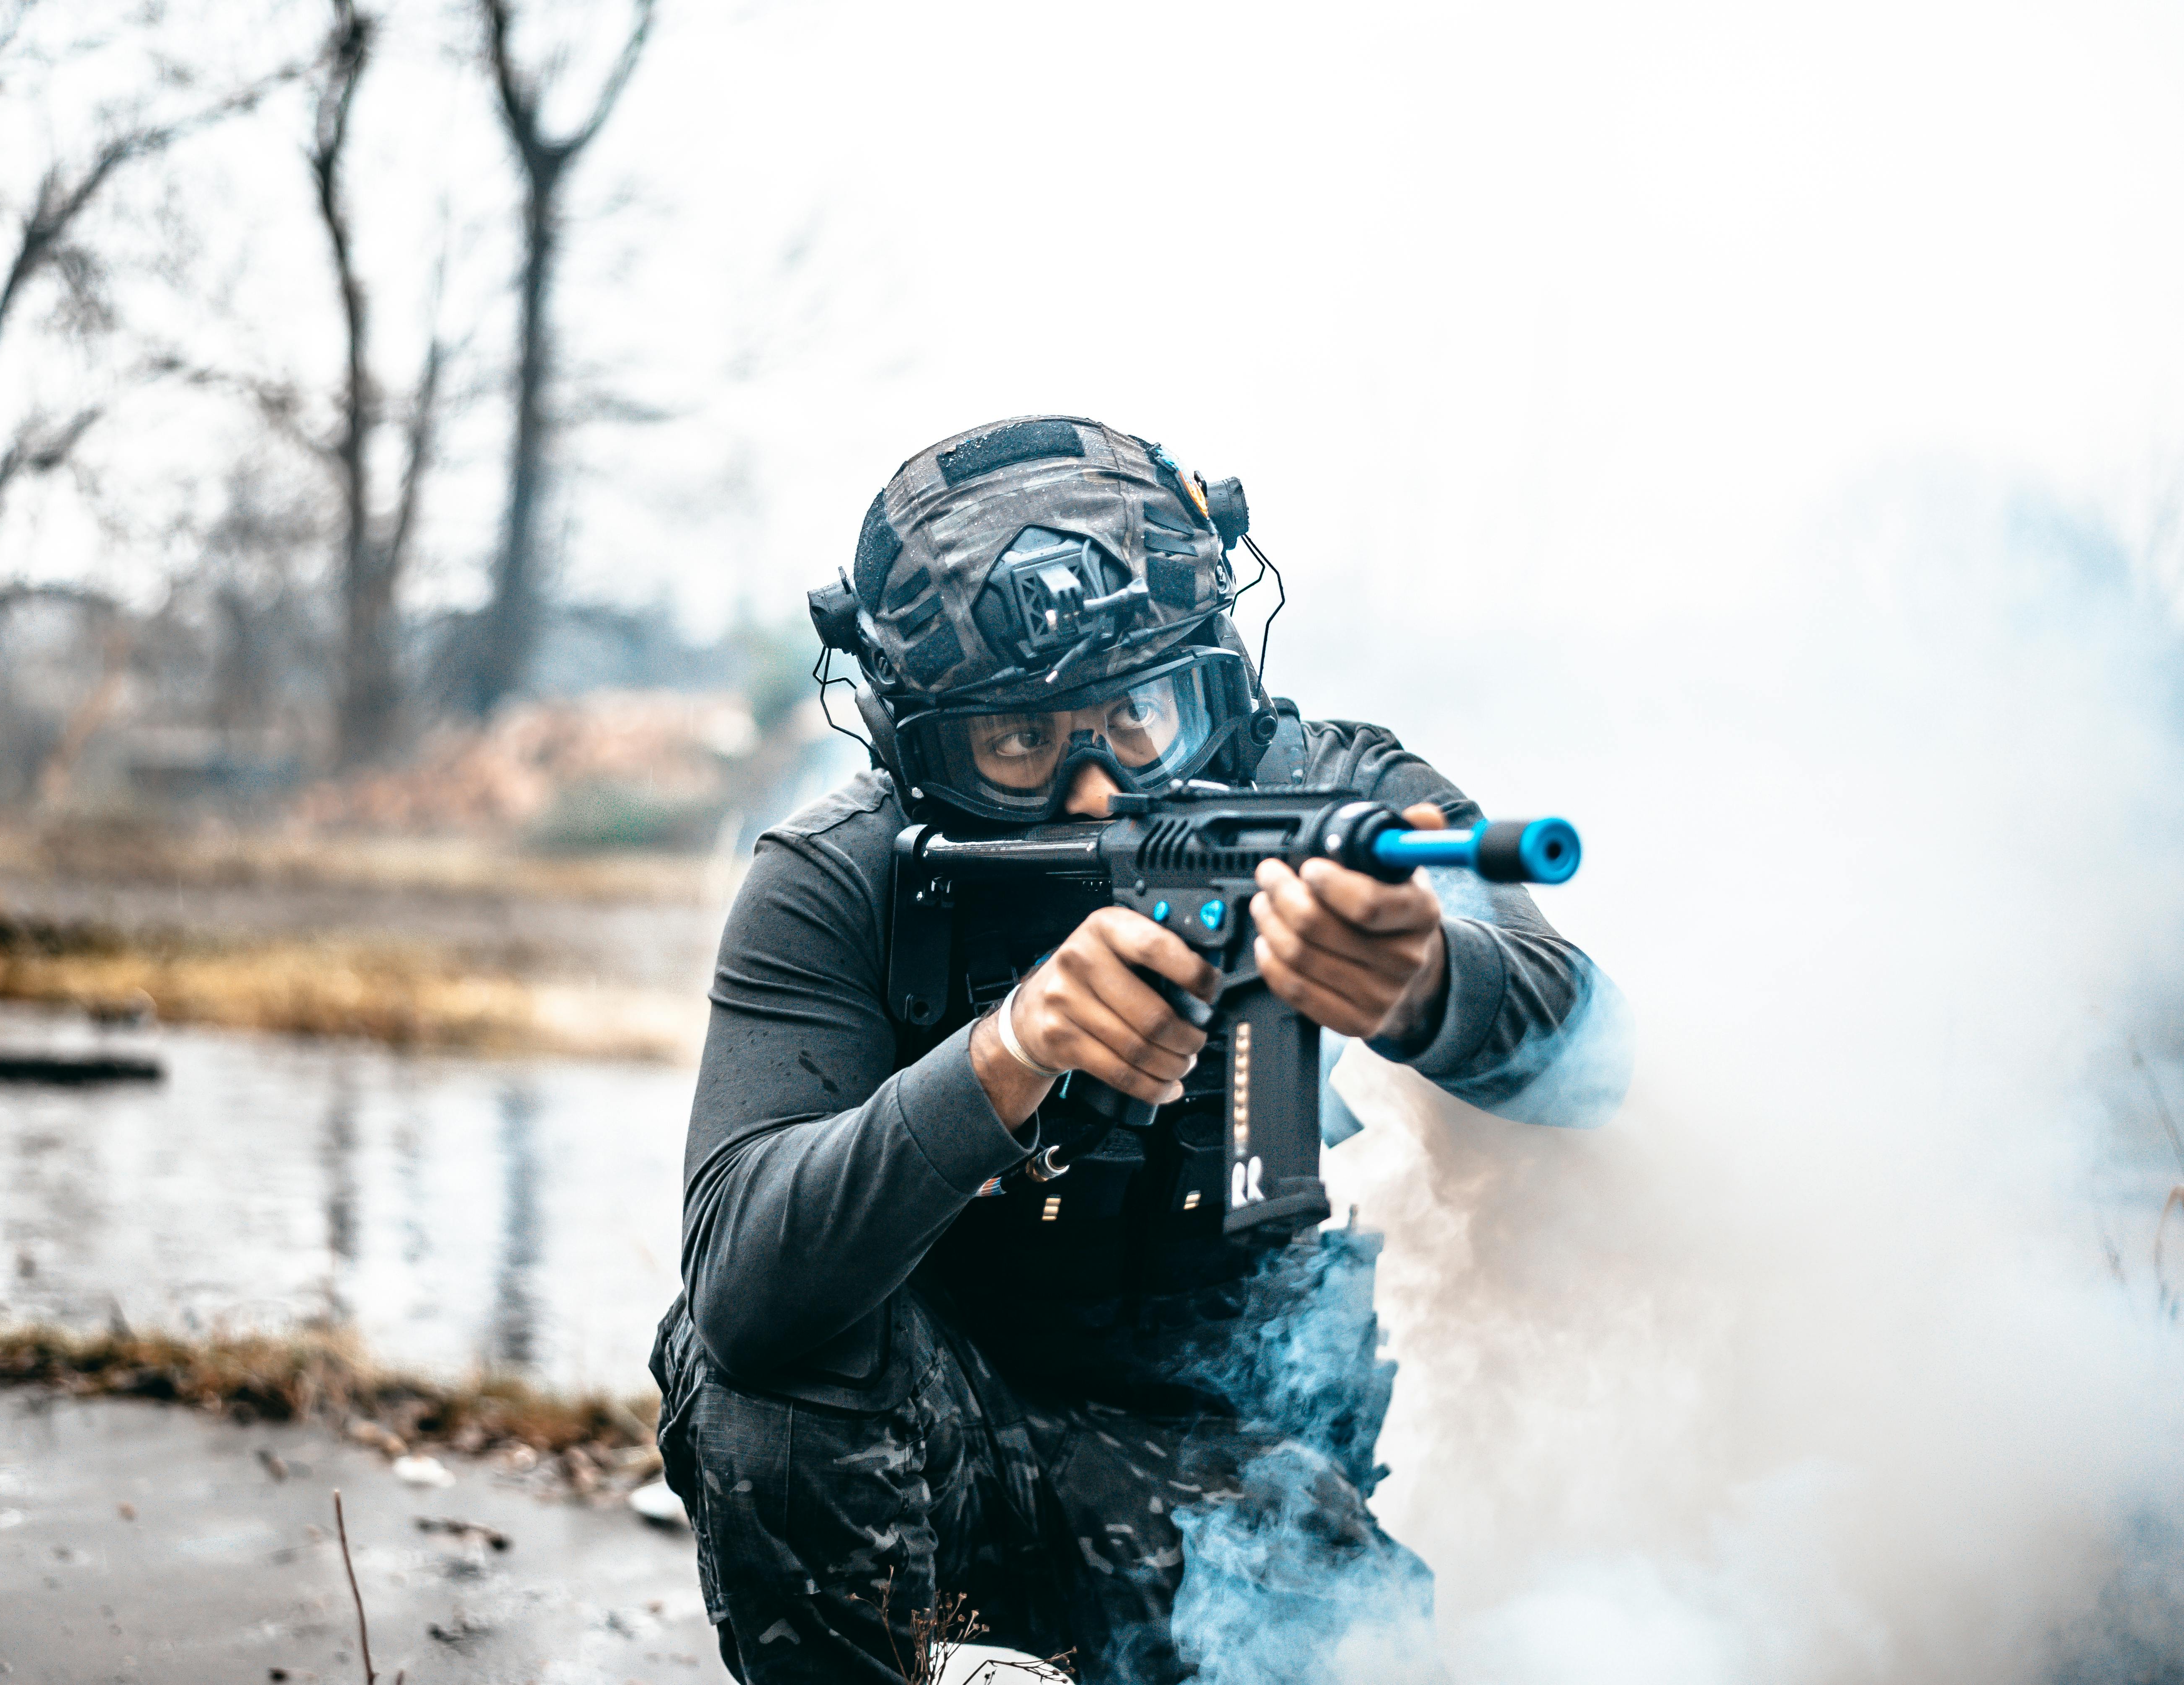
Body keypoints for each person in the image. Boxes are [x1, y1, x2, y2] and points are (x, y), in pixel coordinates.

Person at [651, 416, 1627, 1682]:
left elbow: (1594, 1059)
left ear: (1216, 677)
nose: (1100, 789)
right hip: (941, 1447)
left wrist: (1430, 983)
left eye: (1141, 716)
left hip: (1237, 1478)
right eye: (1019, 743)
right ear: (919, 746)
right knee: (767, 1389)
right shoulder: (841, 880)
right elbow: (740, 1287)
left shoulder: (1333, 794)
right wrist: (1002, 1059)